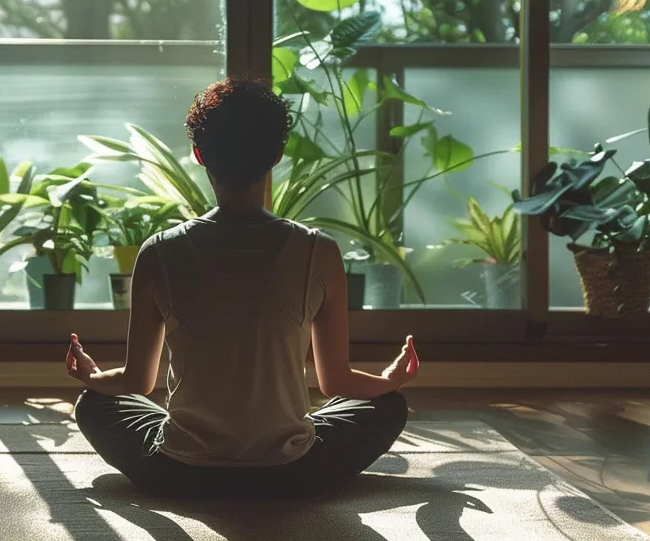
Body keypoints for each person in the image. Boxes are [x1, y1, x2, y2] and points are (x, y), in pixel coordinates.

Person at [65, 77, 421, 499]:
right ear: (277, 154)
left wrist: (91, 375)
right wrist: (388, 380)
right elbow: (336, 381)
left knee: (93, 404)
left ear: (199, 155)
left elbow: (137, 381)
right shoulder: (317, 252)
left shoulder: (160, 251)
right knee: (389, 406)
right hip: (291, 473)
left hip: (180, 472)